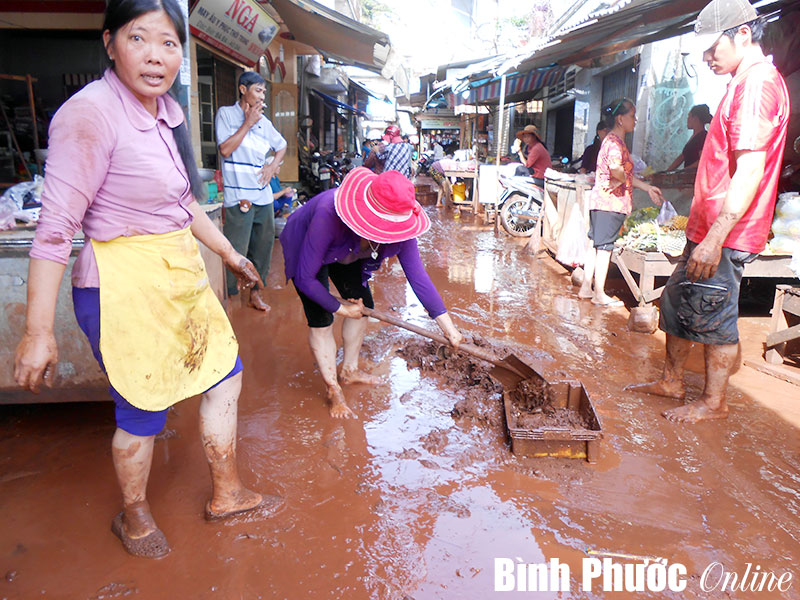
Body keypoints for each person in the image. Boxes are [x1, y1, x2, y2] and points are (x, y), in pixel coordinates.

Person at [13, 0, 275, 559]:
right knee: (143, 409)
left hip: (177, 275)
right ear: (109, 43)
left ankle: (226, 490)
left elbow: (183, 202)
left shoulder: (166, 114)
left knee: (224, 373)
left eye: (169, 43)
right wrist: (39, 329)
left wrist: (230, 253)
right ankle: (134, 515)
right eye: (139, 39)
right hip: (118, 287)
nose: (156, 56)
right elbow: (56, 229)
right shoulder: (90, 114)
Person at [628, 0, 789, 423]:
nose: (706, 57)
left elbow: (751, 168)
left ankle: (714, 401)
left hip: (727, 234)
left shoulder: (757, 85)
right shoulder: (740, 83)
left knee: (716, 316)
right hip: (707, 228)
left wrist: (716, 237)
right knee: (680, 302)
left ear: (742, 34)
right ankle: (672, 381)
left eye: (711, 47)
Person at [280, 168, 464, 419]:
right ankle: (333, 389)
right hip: (310, 244)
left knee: (363, 304)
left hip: (350, 251)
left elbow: (418, 277)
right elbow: (305, 278)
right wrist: (340, 308)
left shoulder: (401, 224)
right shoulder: (328, 213)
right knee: (322, 317)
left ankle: (349, 370)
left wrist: (449, 329)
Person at [578, 98, 665, 306]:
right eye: (632, 116)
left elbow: (622, 173)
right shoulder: (616, 143)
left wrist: (646, 187)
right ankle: (599, 292)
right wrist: (620, 178)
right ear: (620, 119)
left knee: (595, 244)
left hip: (600, 201)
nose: (635, 120)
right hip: (611, 204)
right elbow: (618, 170)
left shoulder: (609, 140)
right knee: (605, 248)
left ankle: (586, 287)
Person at [216, 71, 287, 312]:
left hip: (263, 197)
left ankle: (256, 294)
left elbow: (282, 145)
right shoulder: (226, 114)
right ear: (243, 89)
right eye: (258, 90)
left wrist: (273, 165)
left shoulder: (265, 123)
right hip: (239, 197)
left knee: (262, 249)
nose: (262, 95)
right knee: (234, 249)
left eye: (264, 91)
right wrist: (247, 123)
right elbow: (225, 150)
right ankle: (230, 298)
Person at [666, 104, 713, 170]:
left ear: (695, 118)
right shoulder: (694, 136)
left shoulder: (703, 137)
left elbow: (702, 160)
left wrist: (685, 170)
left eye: (689, 116)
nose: (687, 119)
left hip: (695, 177)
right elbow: (682, 157)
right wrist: (667, 171)